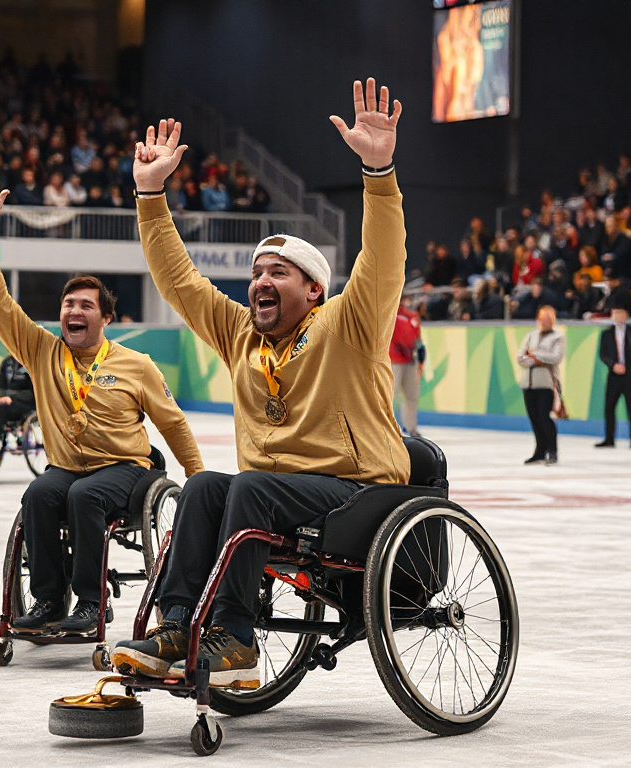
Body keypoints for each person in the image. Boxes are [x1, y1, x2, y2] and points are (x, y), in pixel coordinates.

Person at [111, 79, 410, 688]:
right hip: (276, 490)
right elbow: (182, 283)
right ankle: (174, 626)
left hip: (355, 488)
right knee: (201, 489)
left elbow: (384, 258)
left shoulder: (350, 323)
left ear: (314, 290)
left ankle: (234, 637)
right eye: (256, 273)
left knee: (248, 490)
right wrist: (149, 195)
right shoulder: (242, 333)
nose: (260, 282)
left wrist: (378, 173)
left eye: (279, 272)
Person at [0, 171, 204, 633]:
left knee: (83, 494)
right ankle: (49, 601)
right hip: (66, 468)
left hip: (127, 470)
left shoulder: (137, 364)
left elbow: (172, 424)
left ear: (106, 317)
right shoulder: (42, 351)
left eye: (86, 305)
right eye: (68, 304)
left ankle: (93, 603)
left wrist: (196, 478)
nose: (73, 311)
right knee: (38, 493)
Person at [595, 292, 631, 448]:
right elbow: (603, 354)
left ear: (626, 315)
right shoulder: (606, 334)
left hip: (630, 375)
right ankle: (609, 438)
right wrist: (613, 365)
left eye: (620, 313)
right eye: (615, 313)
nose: (617, 316)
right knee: (609, 407)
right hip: (614, 375)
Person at [517, 304, 565, 465]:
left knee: (545, 418)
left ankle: (552, 451)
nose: (543, 322)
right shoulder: (531, 336)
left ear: (552, 320)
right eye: (541, 319)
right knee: (534, 418)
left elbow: (556, 357)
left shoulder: (558, 337)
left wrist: (535, 356)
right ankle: (539, 451)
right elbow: (520, 356)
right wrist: (534, 359)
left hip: (546, 384)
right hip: (529, 383)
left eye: (546, 319)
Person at [390, 301, 423, 437]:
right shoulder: (392, 314)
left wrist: (420, 357)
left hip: (408, 360)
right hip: (395, 359)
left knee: (411, 395)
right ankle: (385, 427)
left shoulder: (412, 317)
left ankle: (411, 428)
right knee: (390, 395)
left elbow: (417, 339)